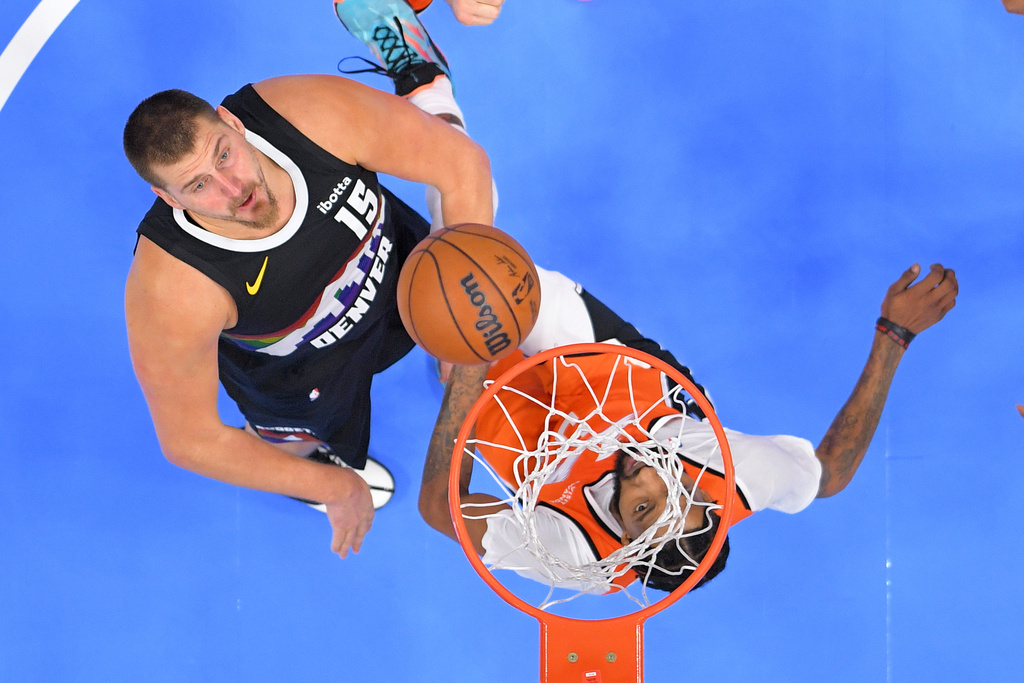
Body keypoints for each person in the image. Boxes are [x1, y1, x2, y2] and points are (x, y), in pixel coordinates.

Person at [419, 263, 958, 593]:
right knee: (483, 280)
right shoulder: (741, 475)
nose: (645, 479)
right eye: (679, 490)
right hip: (625, 387)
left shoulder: (573, 554)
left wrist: (465, 373)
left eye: (641, 508)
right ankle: (432, 93)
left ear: (623, 544)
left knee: (440, 322)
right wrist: (895, 335)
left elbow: (440, 508)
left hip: (537, 452)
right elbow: (832, 472)